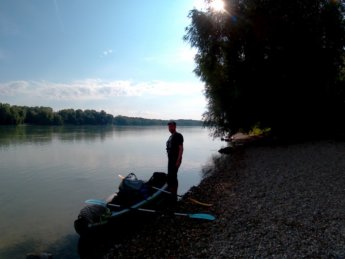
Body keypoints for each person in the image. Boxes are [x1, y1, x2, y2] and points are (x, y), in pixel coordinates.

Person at [166, 120, 184, 199]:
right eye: (169, 127)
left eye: (171, 126)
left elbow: (181, 149)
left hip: (175, 160)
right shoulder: (171, 136)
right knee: (170, 176)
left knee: (173, 176)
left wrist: (178, 160)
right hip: (170, 160)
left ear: (175, 127)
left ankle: (174, 194)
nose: (170, 128)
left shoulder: (178, 135)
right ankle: (171, 192)